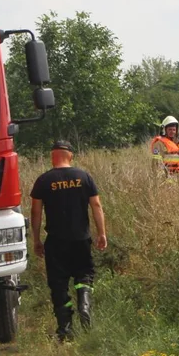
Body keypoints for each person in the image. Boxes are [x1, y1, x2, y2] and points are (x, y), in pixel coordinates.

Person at [29, 140, 108, 341]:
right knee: (84, 275)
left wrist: (36, 239)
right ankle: (84, 305)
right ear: (70, 155)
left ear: (52, 156)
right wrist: (101, 233)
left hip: (56, 242)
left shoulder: (43, 181)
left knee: (58, 284)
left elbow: (35, 212)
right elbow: (96, 206)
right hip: (81, 239)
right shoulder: (84, 177)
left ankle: (65, 330)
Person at [150, 115, 179, 181]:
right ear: (164, 130)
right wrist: (161, 179)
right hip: (167, 180)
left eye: (174, 130)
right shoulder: (158, 144)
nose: (172, 132)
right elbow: (155, 164)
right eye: (170, 129)